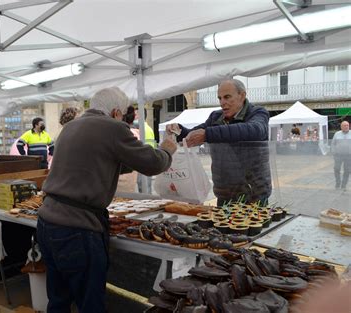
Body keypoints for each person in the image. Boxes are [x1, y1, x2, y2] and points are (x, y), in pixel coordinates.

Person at [36, 87, 177, 313]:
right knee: (90, 303)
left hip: (47, 223)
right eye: (123, 115)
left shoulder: (71, 127)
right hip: (77, 229)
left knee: (59, 299)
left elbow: (96, 164)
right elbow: (153, 164)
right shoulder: (112, 128)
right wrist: (167, 151)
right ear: (116, 113)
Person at [166, 78, 271, 206]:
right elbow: (196, 133)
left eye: (227, 97)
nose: (222, 102)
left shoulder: (257, 113)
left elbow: (255, 130)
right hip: (224, 192)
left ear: (242, 95)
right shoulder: (216, 117)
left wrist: (208, 134)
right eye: (220, 98)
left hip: (253, 194)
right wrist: (180, 131)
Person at [134, 108, 156, 194]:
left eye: (135, 115)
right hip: (149, 162)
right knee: (146, 188)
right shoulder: (148, 128)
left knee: (143, 188)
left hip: (143, 162)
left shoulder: (141, 129)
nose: (134, 117)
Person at [331, 120, 351, 190]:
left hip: (349, 156)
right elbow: (333, 144)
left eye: (347, 125)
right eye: (344, 125)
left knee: (347, 170)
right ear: (341, 127)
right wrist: (333, 152)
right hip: (338, 155)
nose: (346, 127)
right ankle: (338, 183)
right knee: (336, 169)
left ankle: (344, 184)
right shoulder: (337, 134)